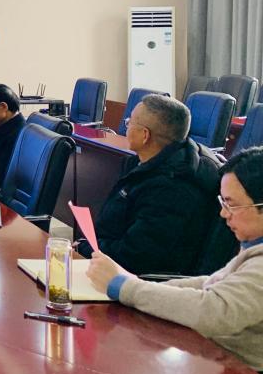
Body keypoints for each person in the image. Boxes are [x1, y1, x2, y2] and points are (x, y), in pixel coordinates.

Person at [89, 146, 263, 372]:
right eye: (223, 202)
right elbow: (212, 283)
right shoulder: (253, 249)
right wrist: (138, 286)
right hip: (221, 365)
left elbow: (213, 310)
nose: (223, 213)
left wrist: (125, 287)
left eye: (232, 204)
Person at [77, 94, 216, 276]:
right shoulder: (142, 163)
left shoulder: (172, 189)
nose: (126, 126)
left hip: (134, 280)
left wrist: (86, 248)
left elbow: (134, 257)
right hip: (108, 258)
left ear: (144, 135)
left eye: (130, 122)